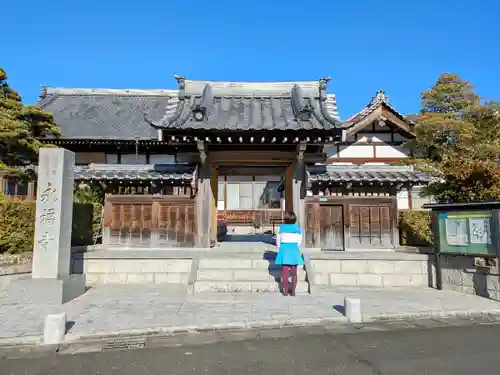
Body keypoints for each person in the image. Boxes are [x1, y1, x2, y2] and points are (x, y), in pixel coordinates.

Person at [275, 211, 304, 296]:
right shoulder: (298, 229)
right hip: (294, 250)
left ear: (285, 219)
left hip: (284, 249)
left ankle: (286, 291)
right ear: (294, 219)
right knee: (294, 272)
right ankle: (293, 291)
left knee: (284, 272)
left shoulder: (280, 228)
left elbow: (278, 242)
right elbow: (299, 242)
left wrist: (281, 248)